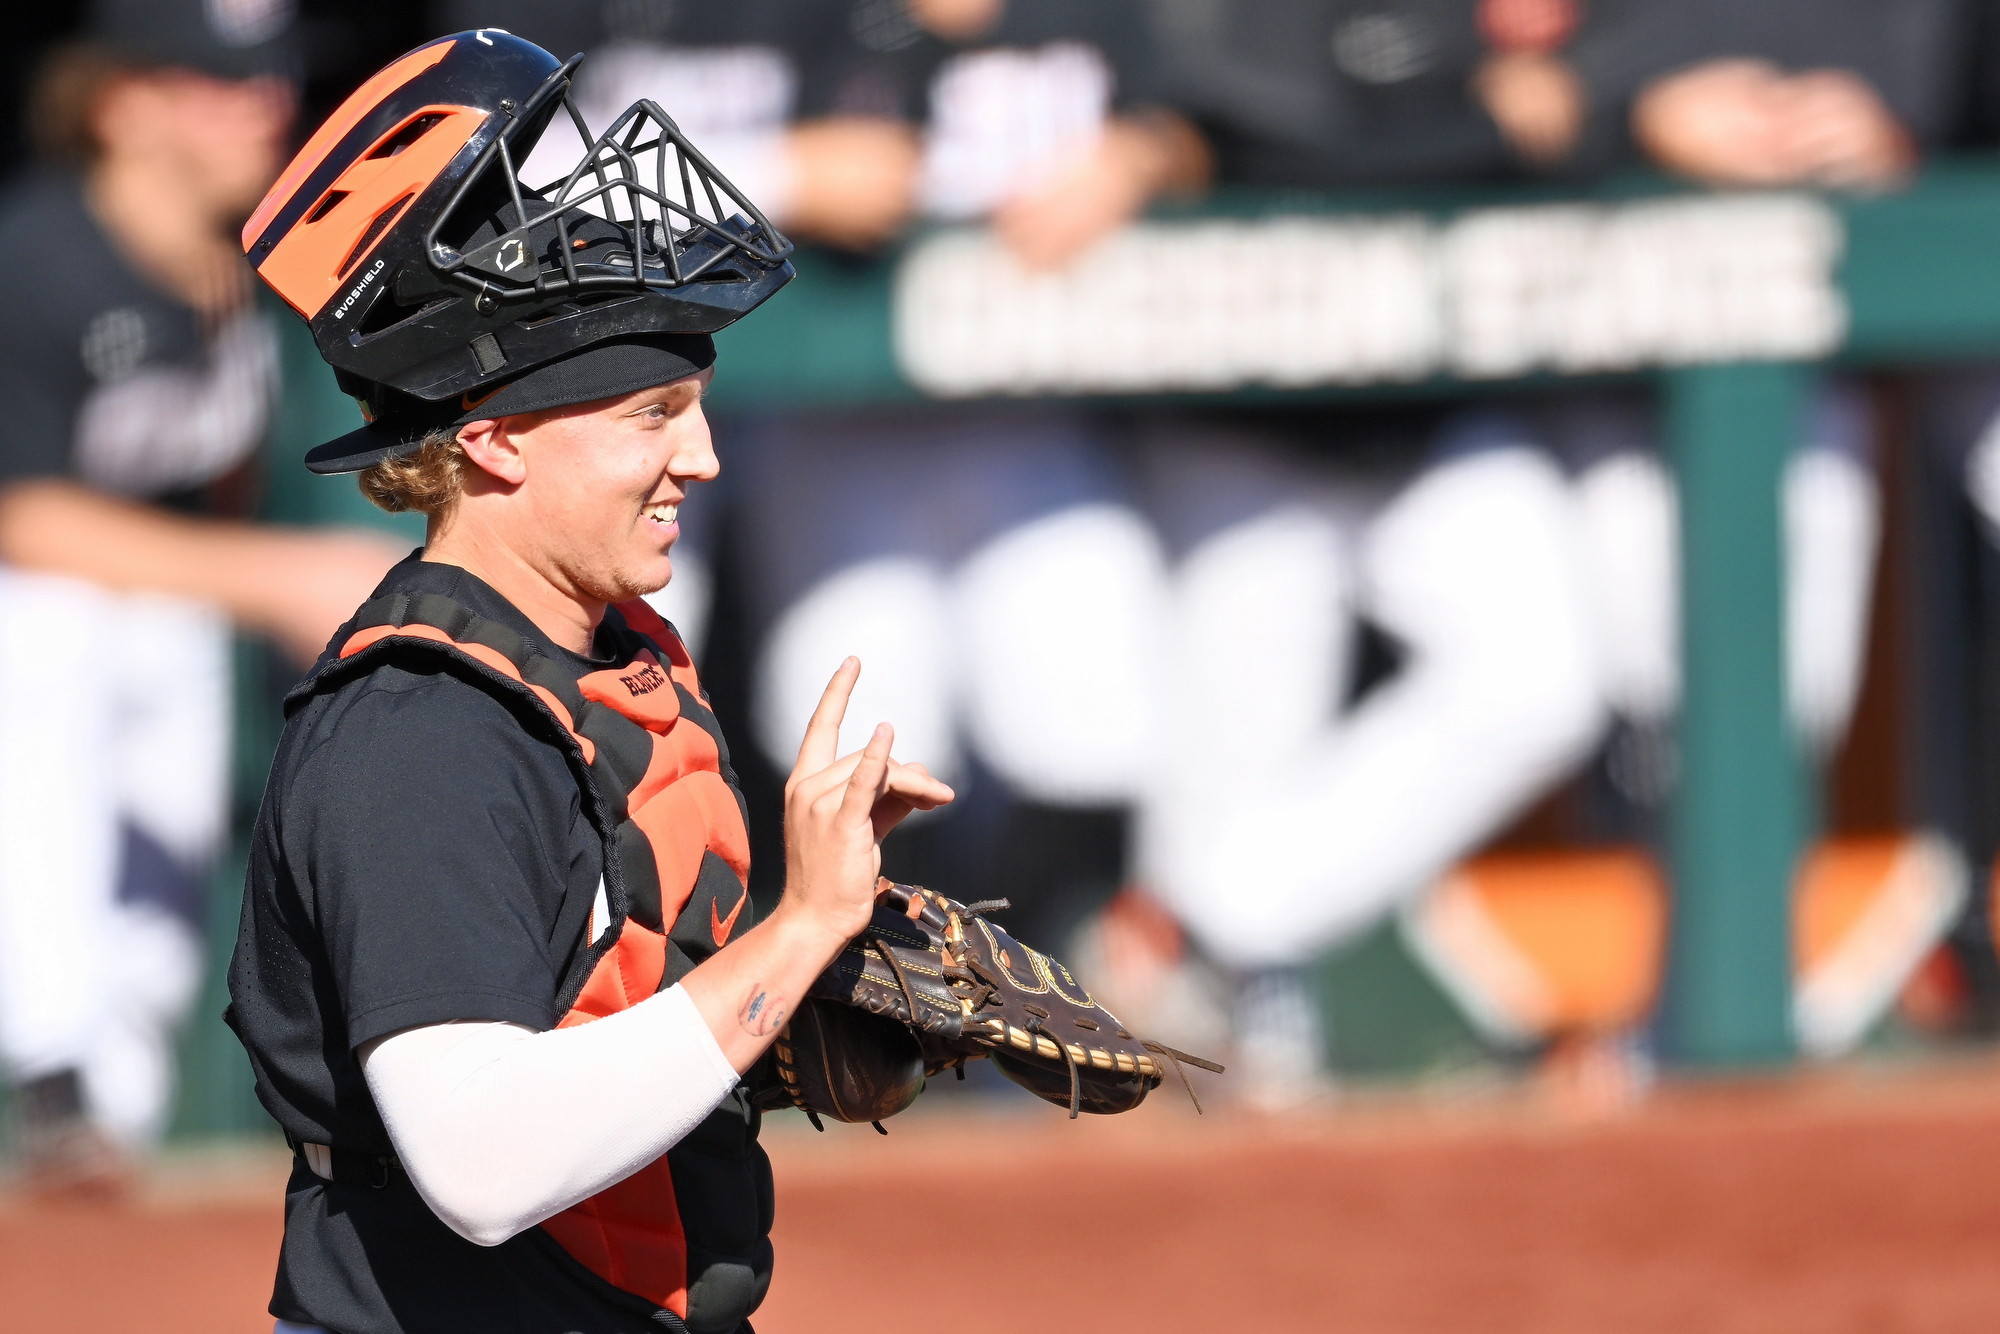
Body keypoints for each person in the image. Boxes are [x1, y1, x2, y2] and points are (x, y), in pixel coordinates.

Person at [226, 31, 951, 1334]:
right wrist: (791, 939)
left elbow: (600, 1014)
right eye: (651, 413)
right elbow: (485, 1163)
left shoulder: (617, 655)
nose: (706, 457)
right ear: (495, 441)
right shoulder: (420, 736)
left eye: (698, 405)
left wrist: (811, 1004)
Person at [0, 0, 398, 1190]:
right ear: (123, 104)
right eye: (221, 84)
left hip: (163, 615)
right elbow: (20, 517)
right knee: (54, 636)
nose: (267, 105)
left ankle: (99, 1125)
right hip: (39, 615)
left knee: (162, 906)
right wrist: (272, 575)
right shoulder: (36, 256)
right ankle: (53, 1073)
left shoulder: (256, 256)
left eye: (271, 79)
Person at [732, 0, 1208, 949]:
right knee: (866, 739)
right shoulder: (796, 19)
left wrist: (1139, 157)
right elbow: (616, 142)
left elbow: (1194, 128)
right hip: (832, 420)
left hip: (1030, 413)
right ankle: (881, 1012)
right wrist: (783, 171)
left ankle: (1022, 1006)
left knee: (1097, 720)